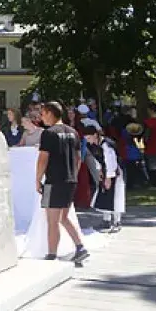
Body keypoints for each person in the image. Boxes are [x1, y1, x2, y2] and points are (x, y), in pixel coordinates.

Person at [36, 102, 89, 263]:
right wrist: (73, 174)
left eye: (43, 113)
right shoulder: (73, 132)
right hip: (70, 180)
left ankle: (52, 254)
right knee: (64, 218)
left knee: (52, 221)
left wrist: (38, 179)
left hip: (54, 180)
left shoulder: (48, 133)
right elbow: (79, 157)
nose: (41, 117)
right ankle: (80, 247)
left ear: (51, 113)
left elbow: (43, 158)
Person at [82, 121, 125, 232]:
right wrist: (100, 170)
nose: (88, 141)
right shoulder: (94, 145)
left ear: (95, 135)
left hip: (115, 172)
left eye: (89, 138)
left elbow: (111, 161)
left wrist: (109, 178)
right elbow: (99, 159)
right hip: (105, 171)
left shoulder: (106, 145)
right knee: (104, 195)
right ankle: (106, 220)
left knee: (115, 196)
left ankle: (117, 221)